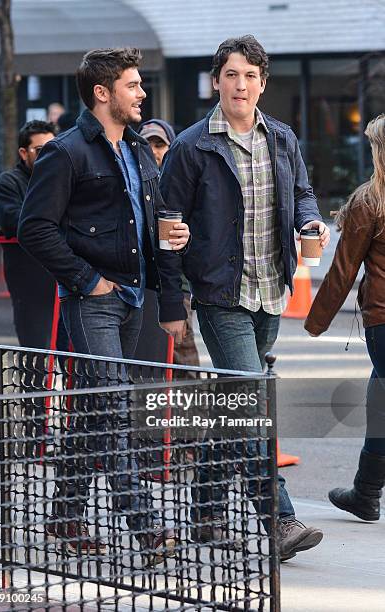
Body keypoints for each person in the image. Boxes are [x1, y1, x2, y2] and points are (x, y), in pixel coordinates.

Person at [158, 35, 330, 561]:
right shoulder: (192, 145)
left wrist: (310, 220)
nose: (241, 84)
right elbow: (167, 224)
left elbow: (300, 191)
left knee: (233, 407)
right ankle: (277, 519)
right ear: (217, 82)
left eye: (251, 75)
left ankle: (205, 515)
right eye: (232, 74)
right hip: (219, 292)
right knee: (252, 403)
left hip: (270, 289)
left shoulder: (281, 138)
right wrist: (171, 302)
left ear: (262, 83)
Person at [18, 47, 190, 563]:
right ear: (102, 92)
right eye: (133, 85)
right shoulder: (67, 152)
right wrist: (85, 279)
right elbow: (34, 227)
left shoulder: (138, 150)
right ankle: (143, 522)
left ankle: (65, 518)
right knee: (113, 409)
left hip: (134, 297)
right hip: (93, 300)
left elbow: (150, 225)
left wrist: (171, 288)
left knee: (95, 411)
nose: (142, 94)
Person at [305, 114, 385, 521]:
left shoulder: (369, 200)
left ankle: (366, 494)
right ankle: (365, 494)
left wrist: (315, 323)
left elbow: (343, 270)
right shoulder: (368, 202)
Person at [138, 119, 200, 373]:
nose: (153, 150)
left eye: (159, 144)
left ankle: (190, 411)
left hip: (177, 284)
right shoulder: (131, 180)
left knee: (181, 351)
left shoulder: (180, 181)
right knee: (145, 356)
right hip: (138, 284)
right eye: (147, 144)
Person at [0, 120, 57, 349]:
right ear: (23, 152)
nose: (48, 156)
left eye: (53, 149)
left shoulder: (62, 180)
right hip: (30, 287)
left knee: (74, 361)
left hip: (65, 284)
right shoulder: (8, 183)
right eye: (40, 151)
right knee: (35, 362)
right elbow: (17, 224)